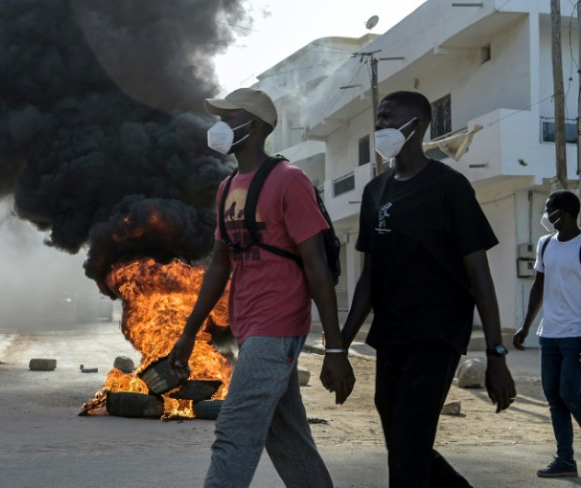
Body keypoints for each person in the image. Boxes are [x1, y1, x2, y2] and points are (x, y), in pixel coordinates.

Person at [168, 87, 355, 488]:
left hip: (278, 323)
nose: (218, 126)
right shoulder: (227, 187)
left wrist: (335, 349)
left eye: (227, 116)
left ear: (251, 125)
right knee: (286, 435)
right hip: (248, 326)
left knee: (234, 431)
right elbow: (220, 265)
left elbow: (316, 267)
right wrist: (189, 332)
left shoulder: (290, 180)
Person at [340, 90, 516, 488]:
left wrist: (496, 355)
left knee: (409, 443)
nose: (379, 126)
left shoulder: (450, 187)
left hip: (438, 333)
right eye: (379, 119)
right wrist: (339, 347)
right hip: (391, 334)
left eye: (386, 118)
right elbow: (369, 277)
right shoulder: (375, 192)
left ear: (414, 125)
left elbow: (480, 277)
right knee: (405, 445)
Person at [514, 190, 581, 478]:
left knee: (570, 392)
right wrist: (526, 325)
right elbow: (538, 287)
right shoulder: (544, 245)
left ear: (563, 214)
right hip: (549, 334)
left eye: (548, 210)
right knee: (554, 397)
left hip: (576, 334)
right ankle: (565, 460)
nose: (545, 215)